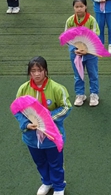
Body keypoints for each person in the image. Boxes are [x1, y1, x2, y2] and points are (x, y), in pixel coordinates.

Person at [14, 56, 71, 195]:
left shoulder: (57, 88)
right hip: (32, 137)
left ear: (45, 71)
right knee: (40, 162)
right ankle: (47, 181)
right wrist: (26, 124)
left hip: (51, 136)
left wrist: (47, 119)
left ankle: (59, 186)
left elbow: (66, 107)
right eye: (33, 71)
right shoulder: (23, 89)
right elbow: (17, 109)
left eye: (40, 70)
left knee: (55, 163)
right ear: (29, 73)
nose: (37, 74)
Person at [65, 0, 102, 107]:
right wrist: (75, 48)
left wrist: (86, 48)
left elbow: (96, 35)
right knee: (78, 75)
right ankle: (80, 94)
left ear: (86, 7)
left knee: (93, 74)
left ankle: (94, 94)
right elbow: (66, 36)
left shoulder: (91, 20)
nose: (79, 9)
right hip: (75, 52)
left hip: (90, 52)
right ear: (73, 8)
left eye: (81, 6)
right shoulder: (70, 20)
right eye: (76, 7)